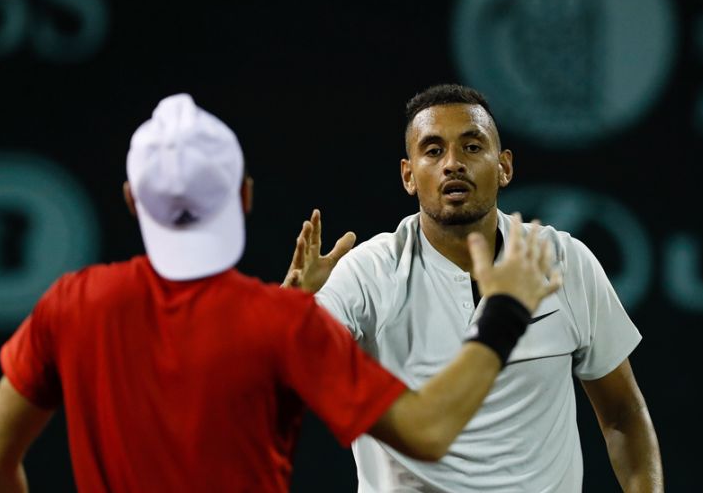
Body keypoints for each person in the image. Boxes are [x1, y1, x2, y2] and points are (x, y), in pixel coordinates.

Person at [0, 93, 561, 493]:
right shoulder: (279, 322)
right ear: (244, 196)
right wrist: (506, 310)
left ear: (131, 199)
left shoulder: (71, 304)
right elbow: (428, 432)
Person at [284, 84, 664, 492]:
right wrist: (289, 307)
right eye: (433, 150)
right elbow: (285, 374)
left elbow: (623, 415)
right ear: (408, 175)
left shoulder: (565, 261)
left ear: (504, 166)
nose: (452, 164)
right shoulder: (367, 272)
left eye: (471, 147)